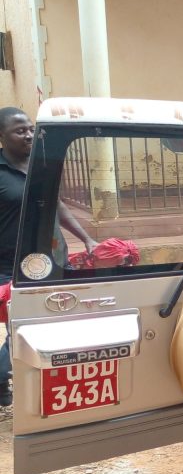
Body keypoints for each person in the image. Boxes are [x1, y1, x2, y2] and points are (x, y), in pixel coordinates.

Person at [0, 106, 97, 406]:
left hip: (52, 258)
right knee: (21, 325)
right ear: (2, 136)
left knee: (56, 317)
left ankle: (20, 380)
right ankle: (3, 375)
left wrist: (86, 238)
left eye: (30, 128)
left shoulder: (41, 165)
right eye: (20, 130)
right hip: (10, 266)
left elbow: (57, 205)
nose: (28, 135)